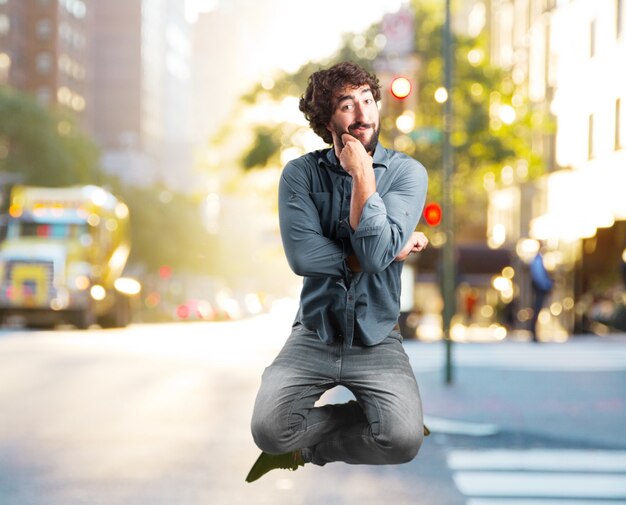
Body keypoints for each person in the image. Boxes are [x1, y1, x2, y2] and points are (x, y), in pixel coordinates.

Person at [246, 61, 430, 483]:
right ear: (327, 120)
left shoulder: (405, 173)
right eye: (348, 105)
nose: (363, 115)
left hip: (378, 334)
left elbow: (370, 251)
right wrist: (383, 250)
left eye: (368, 101)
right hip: (315, 331)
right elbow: (305, 258)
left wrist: (363, 174)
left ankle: (313, 446)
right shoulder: (300, 174)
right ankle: (356, 421)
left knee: (403, 440)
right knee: (270, 430)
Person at [529, 248, 553, 342]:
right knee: (537, 310)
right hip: (540, 289)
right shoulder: (538, 260)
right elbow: (538, 276)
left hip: (540, 288)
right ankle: (533, 332)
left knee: (537, 310)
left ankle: (534, 332)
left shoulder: (538, 260)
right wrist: (546, 285)